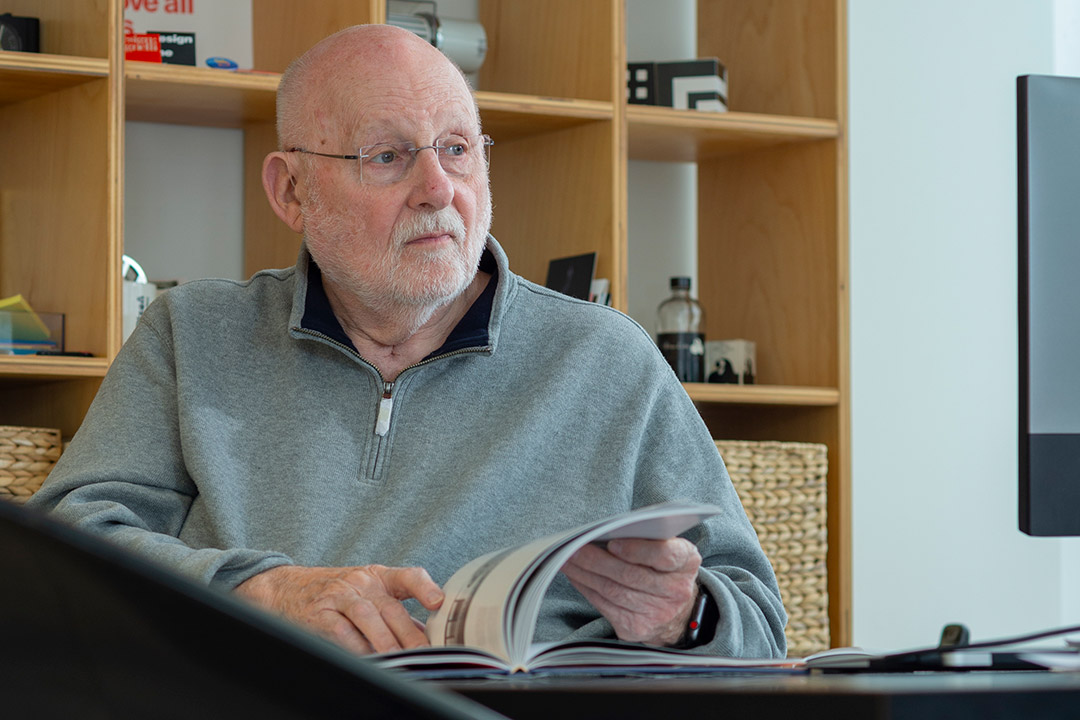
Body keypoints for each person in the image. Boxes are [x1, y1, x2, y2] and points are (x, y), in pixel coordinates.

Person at [28, 24, 786, 658]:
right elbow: (63, 553)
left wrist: (683, 619)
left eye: (457, 148)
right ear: (292, 191)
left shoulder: (606, 360)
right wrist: (263, 592)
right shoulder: (191, 334)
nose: (439, 189)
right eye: (387, 156)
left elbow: (758, 623)